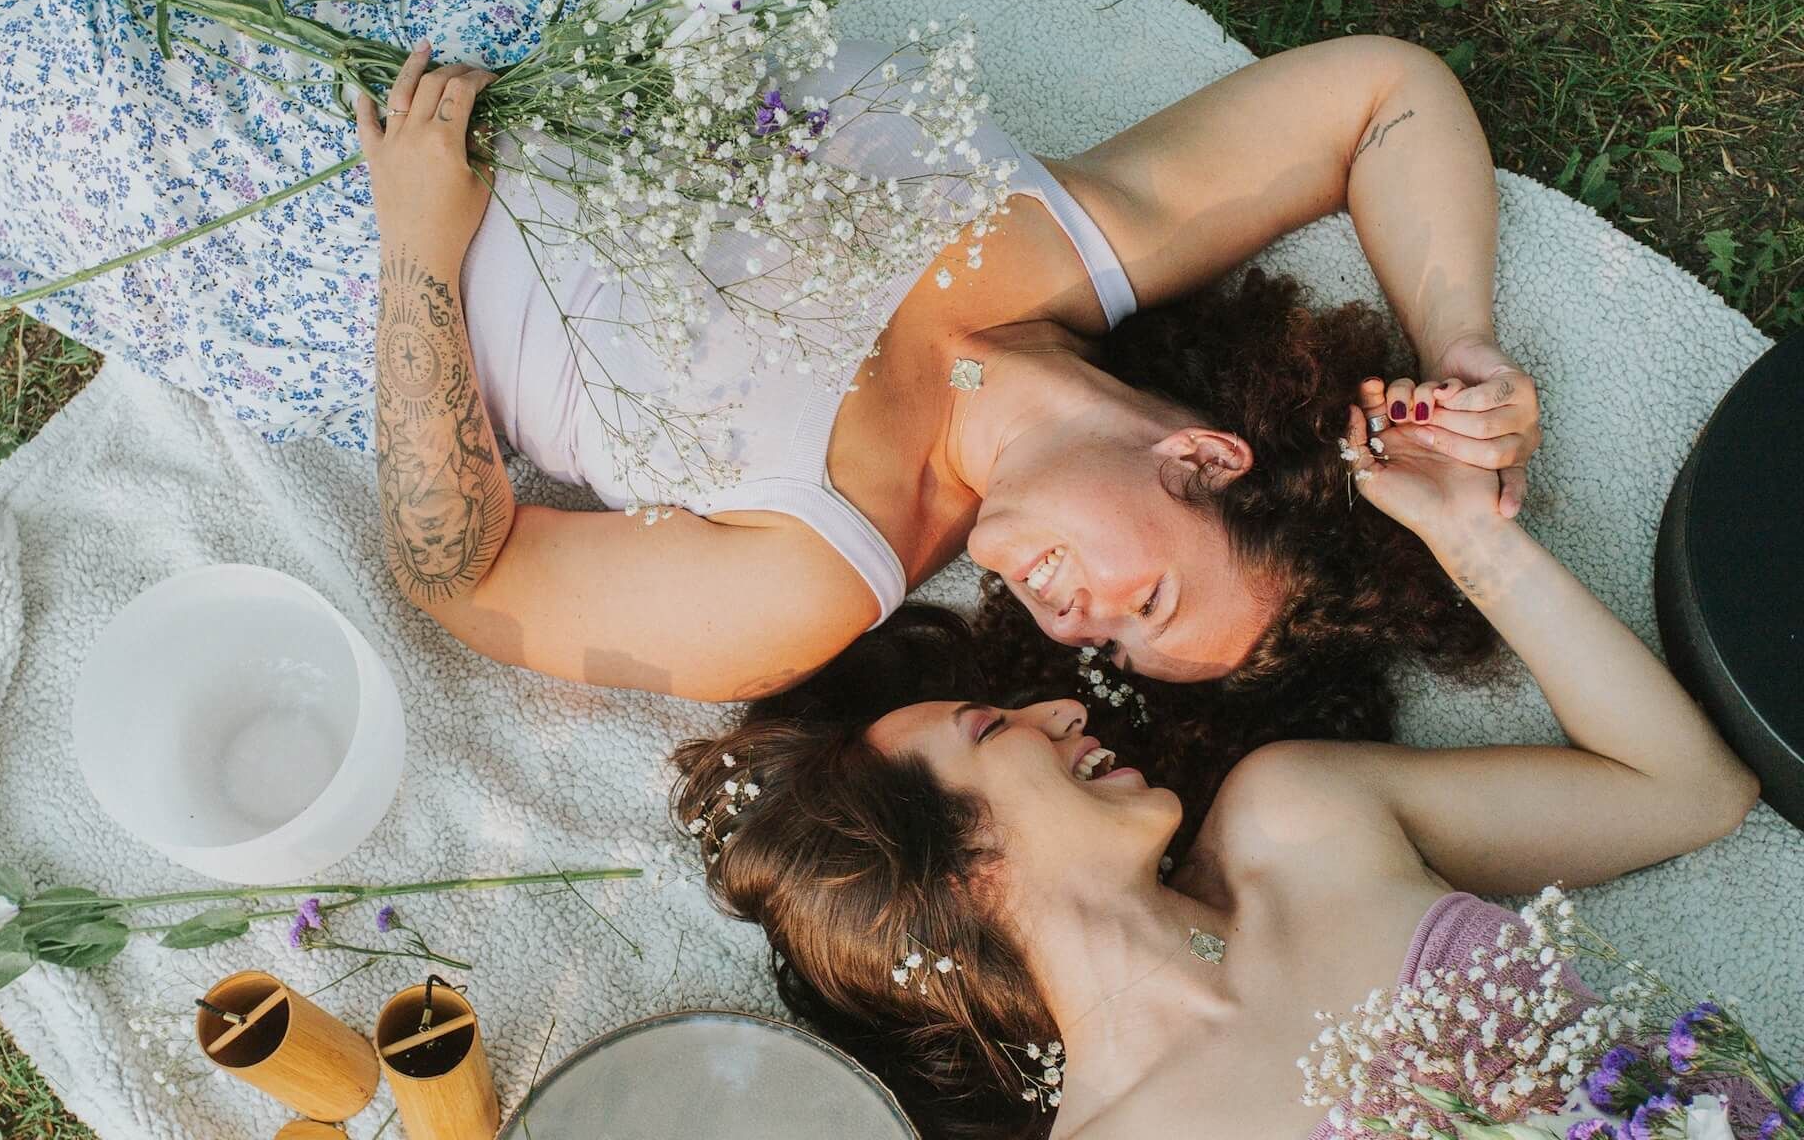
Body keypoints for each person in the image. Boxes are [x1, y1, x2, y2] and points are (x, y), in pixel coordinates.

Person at [0, 0, 1541, 703]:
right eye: (1149, 600)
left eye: (1104, 653)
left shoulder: (818, 574)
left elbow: (462, 575)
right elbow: (1383, 93)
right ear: (1203, 458)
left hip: (293, 223)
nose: (1073, 622)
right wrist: (1463, 348)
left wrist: (415, 242)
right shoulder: (1077, 238)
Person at [669, 387, 1760, 1140]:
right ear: (956, 874)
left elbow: (1690, 789)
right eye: (994, 730)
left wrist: (1468, 536)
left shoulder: (1299, 817)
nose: (1056, 703)